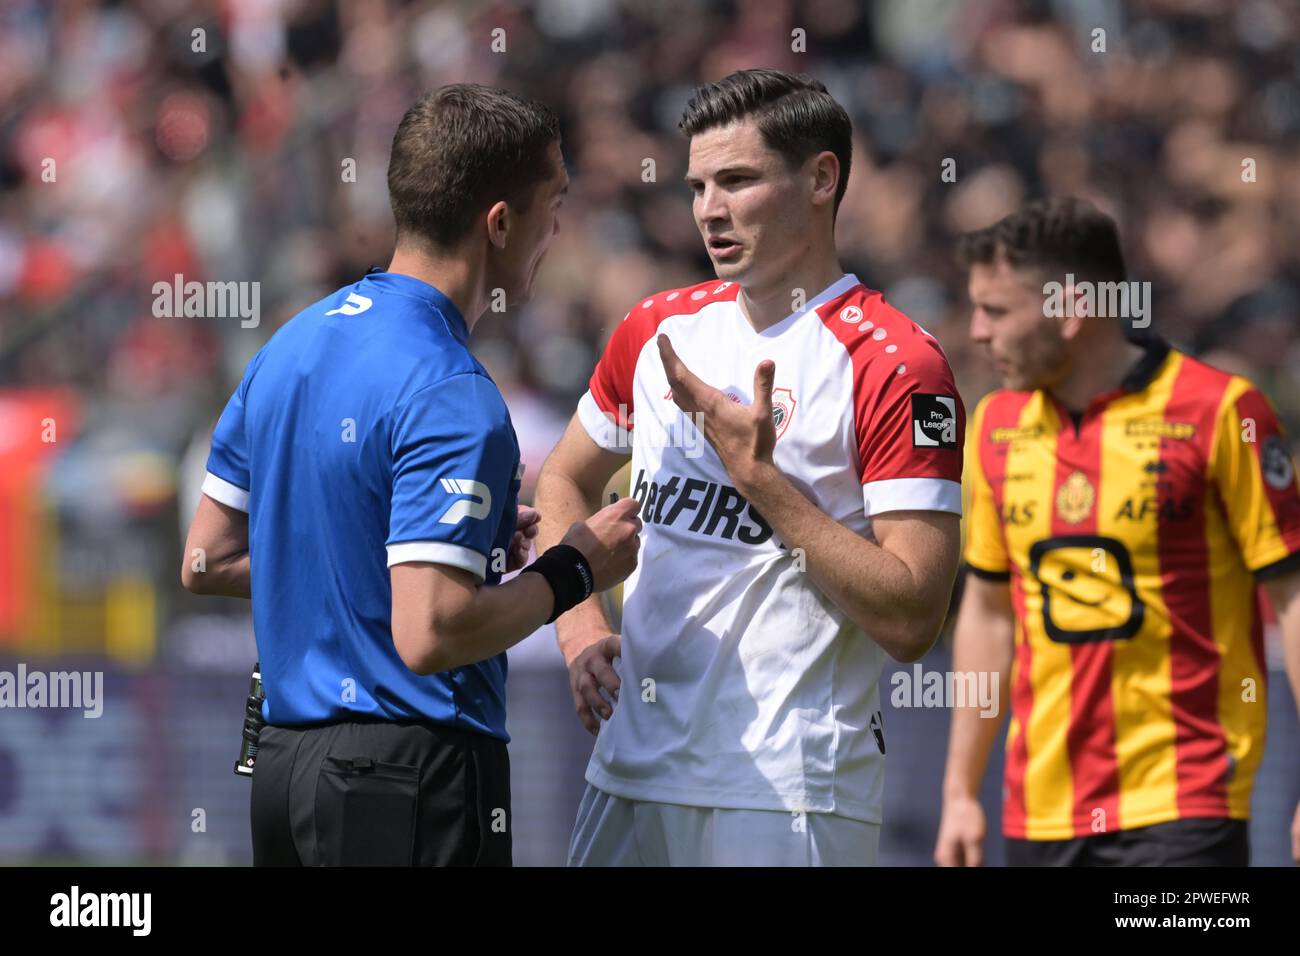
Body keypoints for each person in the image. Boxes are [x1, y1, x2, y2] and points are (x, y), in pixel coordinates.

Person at [180, 84, 641, 867]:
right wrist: (574, 569)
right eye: (552, 206)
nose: (556, 232)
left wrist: (406, 556)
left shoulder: (289, 346)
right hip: (406, 780)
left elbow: (206, 561)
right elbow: (430, 633)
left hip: (285, 775)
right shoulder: (453, 392)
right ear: (500, 222)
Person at [535, 68, 966, 866]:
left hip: (786, 790)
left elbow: (913, 619)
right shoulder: (657, 326)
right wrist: (579, 623)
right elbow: (562, 478)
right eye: (698, 185)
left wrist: (761, 482)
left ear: (821, 179)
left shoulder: (897, 363)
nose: (708, 209)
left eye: (737, 180)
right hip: (629, 770)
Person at [935, 197, 1300, 867]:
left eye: (997, 311)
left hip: (1185, 802)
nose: (977, 332)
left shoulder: (1221, 413)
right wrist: (960, 789)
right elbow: (987, 614)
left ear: (1072, 310)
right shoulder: (993, 426)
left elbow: (1293, 601)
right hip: (1039, 812)